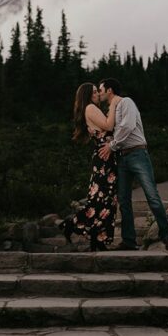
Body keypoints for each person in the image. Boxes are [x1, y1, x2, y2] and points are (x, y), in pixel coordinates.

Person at [97, 78, 168, 251]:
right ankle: (129, 241)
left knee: (151, 195)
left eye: (101, 90)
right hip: (122, 158)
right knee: (124, 200)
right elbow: (117, 131)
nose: (99, 93)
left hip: (137, 154)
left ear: (109, 90)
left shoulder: (127, 102)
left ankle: (166, 235)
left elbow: (128, 126)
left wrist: (111, 145)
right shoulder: (112, 109)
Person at [59, 82, 119, 251]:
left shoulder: (93, 108)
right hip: (103, 158)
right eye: (93, 92)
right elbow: (108, 126)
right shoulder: (90, 108)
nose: (97, 94)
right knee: (101, 199)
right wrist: (114, 103)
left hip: (106, 156)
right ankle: (71, 224)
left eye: (97, 92)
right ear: (86, 95)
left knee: (107, 200)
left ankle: (98, 238)